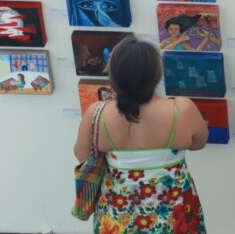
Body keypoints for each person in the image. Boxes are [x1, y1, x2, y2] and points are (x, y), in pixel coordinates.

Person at [73, 36, 208, 233]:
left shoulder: (97, 113)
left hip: (118, 217)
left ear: (114, 74)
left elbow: (82, 154)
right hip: (175, 216)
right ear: (156, 74)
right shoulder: (181, 109)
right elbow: (199, 143)